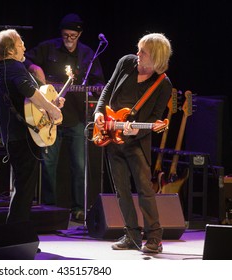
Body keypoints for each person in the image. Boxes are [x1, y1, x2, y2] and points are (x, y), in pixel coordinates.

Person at [93, 33, 173, 253]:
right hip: (111, 135)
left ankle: (154, 237)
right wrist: (99, 112)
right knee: (121, 190)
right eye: (138, 49)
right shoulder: (126, 63)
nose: (137, 54)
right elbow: (108, 88)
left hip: (136, 142)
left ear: (155, 58)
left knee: (145, 190)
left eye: (143, 52)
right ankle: (131, 235)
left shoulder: (163, 83)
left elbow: (156, 117)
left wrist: (137, 129)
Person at [24, 13, 105, 220]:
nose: (69, 39)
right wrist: (36, 70)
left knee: (79, 166)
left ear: (80, 34)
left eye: (73, 36)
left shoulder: (88, 54)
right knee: (48, 164)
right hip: (50, 118)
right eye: (66, 35)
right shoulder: (48, 47)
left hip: (75, 118)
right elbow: (28, 61)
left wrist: (96, 90)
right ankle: (49, 209)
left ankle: (79, 209)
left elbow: (99, 83)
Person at [0, 29, 64, 224]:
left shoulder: (6, 67)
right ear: (10, 50)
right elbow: (28, 90)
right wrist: (51, 108)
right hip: (21, 137)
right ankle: (16, 234)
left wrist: (52, 102)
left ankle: (18, 233)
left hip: (18, 137)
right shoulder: (13, 67)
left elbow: (28, 99)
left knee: (23, 188)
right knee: (24, 188)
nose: (24, 46)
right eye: (20, 44)